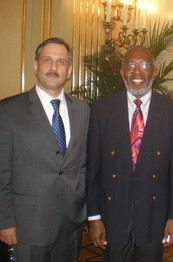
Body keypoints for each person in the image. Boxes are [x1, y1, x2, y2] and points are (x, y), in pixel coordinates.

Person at [86, 45, 173, 262]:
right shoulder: (102, 109)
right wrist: (94, 216)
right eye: (131, 65)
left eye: (144, 65)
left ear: (154, 72)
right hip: (113, 214)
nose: (137, 71)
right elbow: (93, 167)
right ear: (122, 72)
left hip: (153, 215)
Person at [0, 37, 90, 261]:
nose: (53, 67)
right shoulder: (8, 111)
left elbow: (82, 165)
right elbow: (2, 172)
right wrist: (5, 221)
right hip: (27, 226)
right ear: (35, 66)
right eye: (47, 60)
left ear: (69, 71)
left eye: (61, 62)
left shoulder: (83, 111)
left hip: (71, 225)